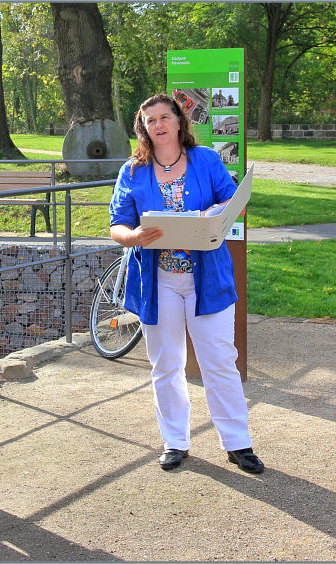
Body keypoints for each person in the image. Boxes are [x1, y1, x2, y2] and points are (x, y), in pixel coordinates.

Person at [108, 94, 264, 474]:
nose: (158, 125)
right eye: (150, 120)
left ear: (179, 121)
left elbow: (235, 202)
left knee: (219, 360)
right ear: (143, 128)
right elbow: (117, 225)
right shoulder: (132, 171)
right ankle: (175, 442)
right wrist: (133, 237)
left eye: (165, 117)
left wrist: (213, 214)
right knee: (166, 364)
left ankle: (238, 443)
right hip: (158, 282)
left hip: (207, 280)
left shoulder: (206, 159)